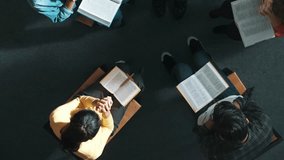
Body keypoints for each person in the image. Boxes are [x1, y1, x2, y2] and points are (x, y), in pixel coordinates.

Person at [161, 36, 273, 160]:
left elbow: (201, 137)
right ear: (246, 120)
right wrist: (237, 103)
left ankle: (176, 69)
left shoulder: (218, 155)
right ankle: (200, 56)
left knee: (183, 71)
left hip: (212, 114)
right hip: (232, 102)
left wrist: (206, 126)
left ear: (221, 137)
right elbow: (248, 101)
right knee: (200, 60)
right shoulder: (264, 123)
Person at [49, 61, 144, 160]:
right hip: (106, 123)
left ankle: (124, 69)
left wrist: (96, 102)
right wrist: (106, 112)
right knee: (136, 81)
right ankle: (134, 78)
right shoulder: (93, 153)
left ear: (72, 116)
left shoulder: (56, 116)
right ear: (91, 138)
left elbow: (80, 100)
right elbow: (108, 128)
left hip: (87, 103)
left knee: (122, 70)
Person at [210, 0, 284, 40]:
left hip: (269, 25)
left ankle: (225, 29)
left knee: (234, 33)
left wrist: (275, 22)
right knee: (228, 8)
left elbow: (281, 32)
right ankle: (219, 12)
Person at [27, 0, 133, 27]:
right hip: (80, 4)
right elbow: (59, 17)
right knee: (114, 15)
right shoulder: (38, 2)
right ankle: (117, 22)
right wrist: (70, 1)